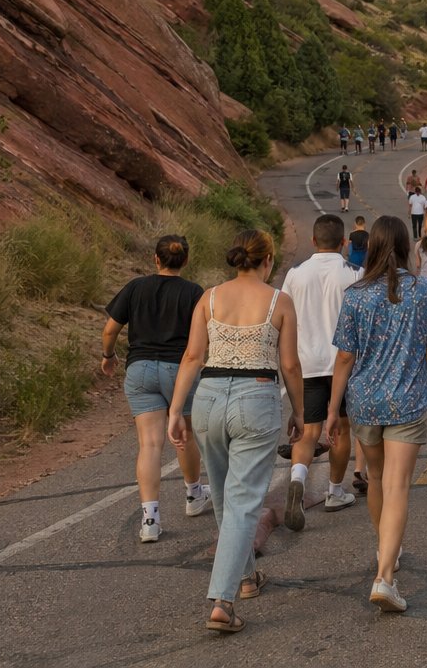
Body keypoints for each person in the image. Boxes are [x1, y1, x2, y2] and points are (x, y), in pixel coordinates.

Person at [168, 230, 304, 635]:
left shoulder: (208, 298)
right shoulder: (279, 301)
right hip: (256, 395)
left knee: (227, 496)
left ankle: (245, 578)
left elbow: (193, 355)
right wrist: (299, 411)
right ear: (268, 260)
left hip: (208, 396)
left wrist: (177, 409)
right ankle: (222, 601)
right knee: (244, 501)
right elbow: (291, 366)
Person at [325, 216, 427, 612]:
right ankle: (385, 576)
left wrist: (332, 410)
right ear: (403, 246)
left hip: (364, 402)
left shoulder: (355, 294)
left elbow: (345, 357)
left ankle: (386, 551)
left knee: (376, 478)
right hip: (408, 400)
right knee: (398, 485)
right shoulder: (426, 291)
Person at [101, 235, 211, 543]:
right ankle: (193, 495)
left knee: (149, 444)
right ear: (185, 261)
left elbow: (110, 329)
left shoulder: (136, 287)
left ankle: (150, 518)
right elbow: (203, 338)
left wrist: (108, 357)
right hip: (179, 370)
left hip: (140, 367)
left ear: (156, 259)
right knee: (183, 434)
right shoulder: (193, 292)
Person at [279, 215, 363, 530]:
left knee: (309, 430)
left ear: (313, 241)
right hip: (345, 363)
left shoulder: (295, 275)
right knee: (340, 428)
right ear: (344, 242)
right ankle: (335, 490)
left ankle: (298, 478)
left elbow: (286, 318)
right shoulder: (356, 273)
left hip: (307, 363)